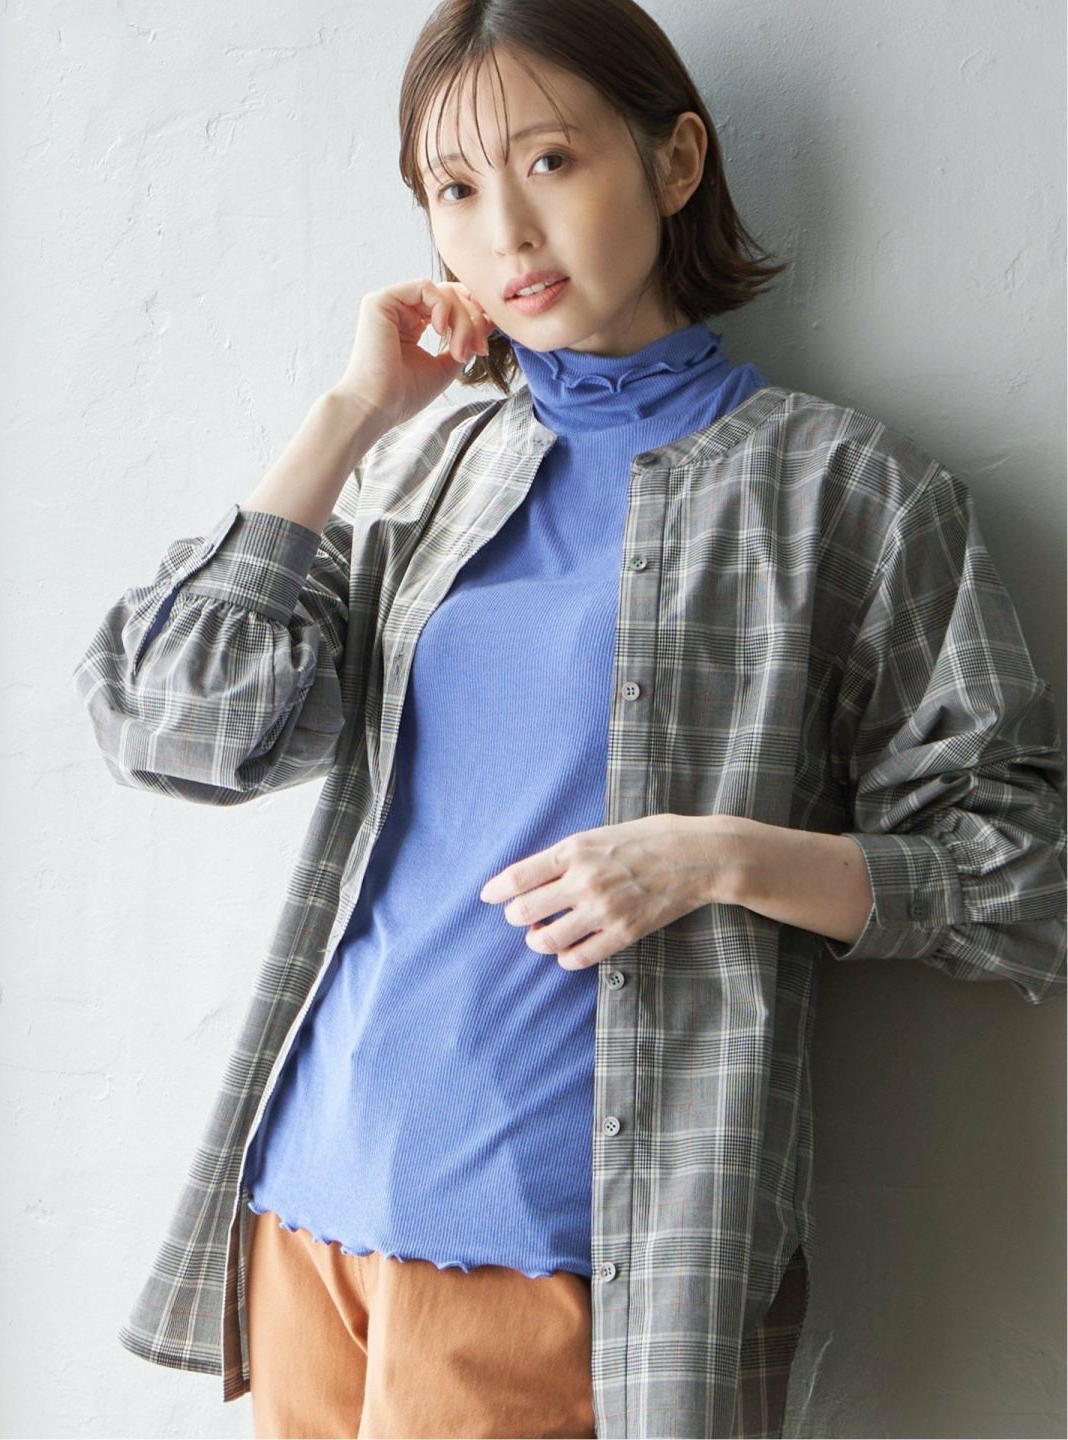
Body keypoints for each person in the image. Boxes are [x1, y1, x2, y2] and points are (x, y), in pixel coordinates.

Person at [71, 2, 1067, 1437]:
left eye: (550, 161)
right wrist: (351, 413)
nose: (507, 234)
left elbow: (1024, 870)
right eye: (454, 190)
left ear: (675, 162)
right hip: (310, 1200)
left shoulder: (844, 490)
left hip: (570, 1246)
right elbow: (177, 727)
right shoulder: (427, 475)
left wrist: (722, 857)